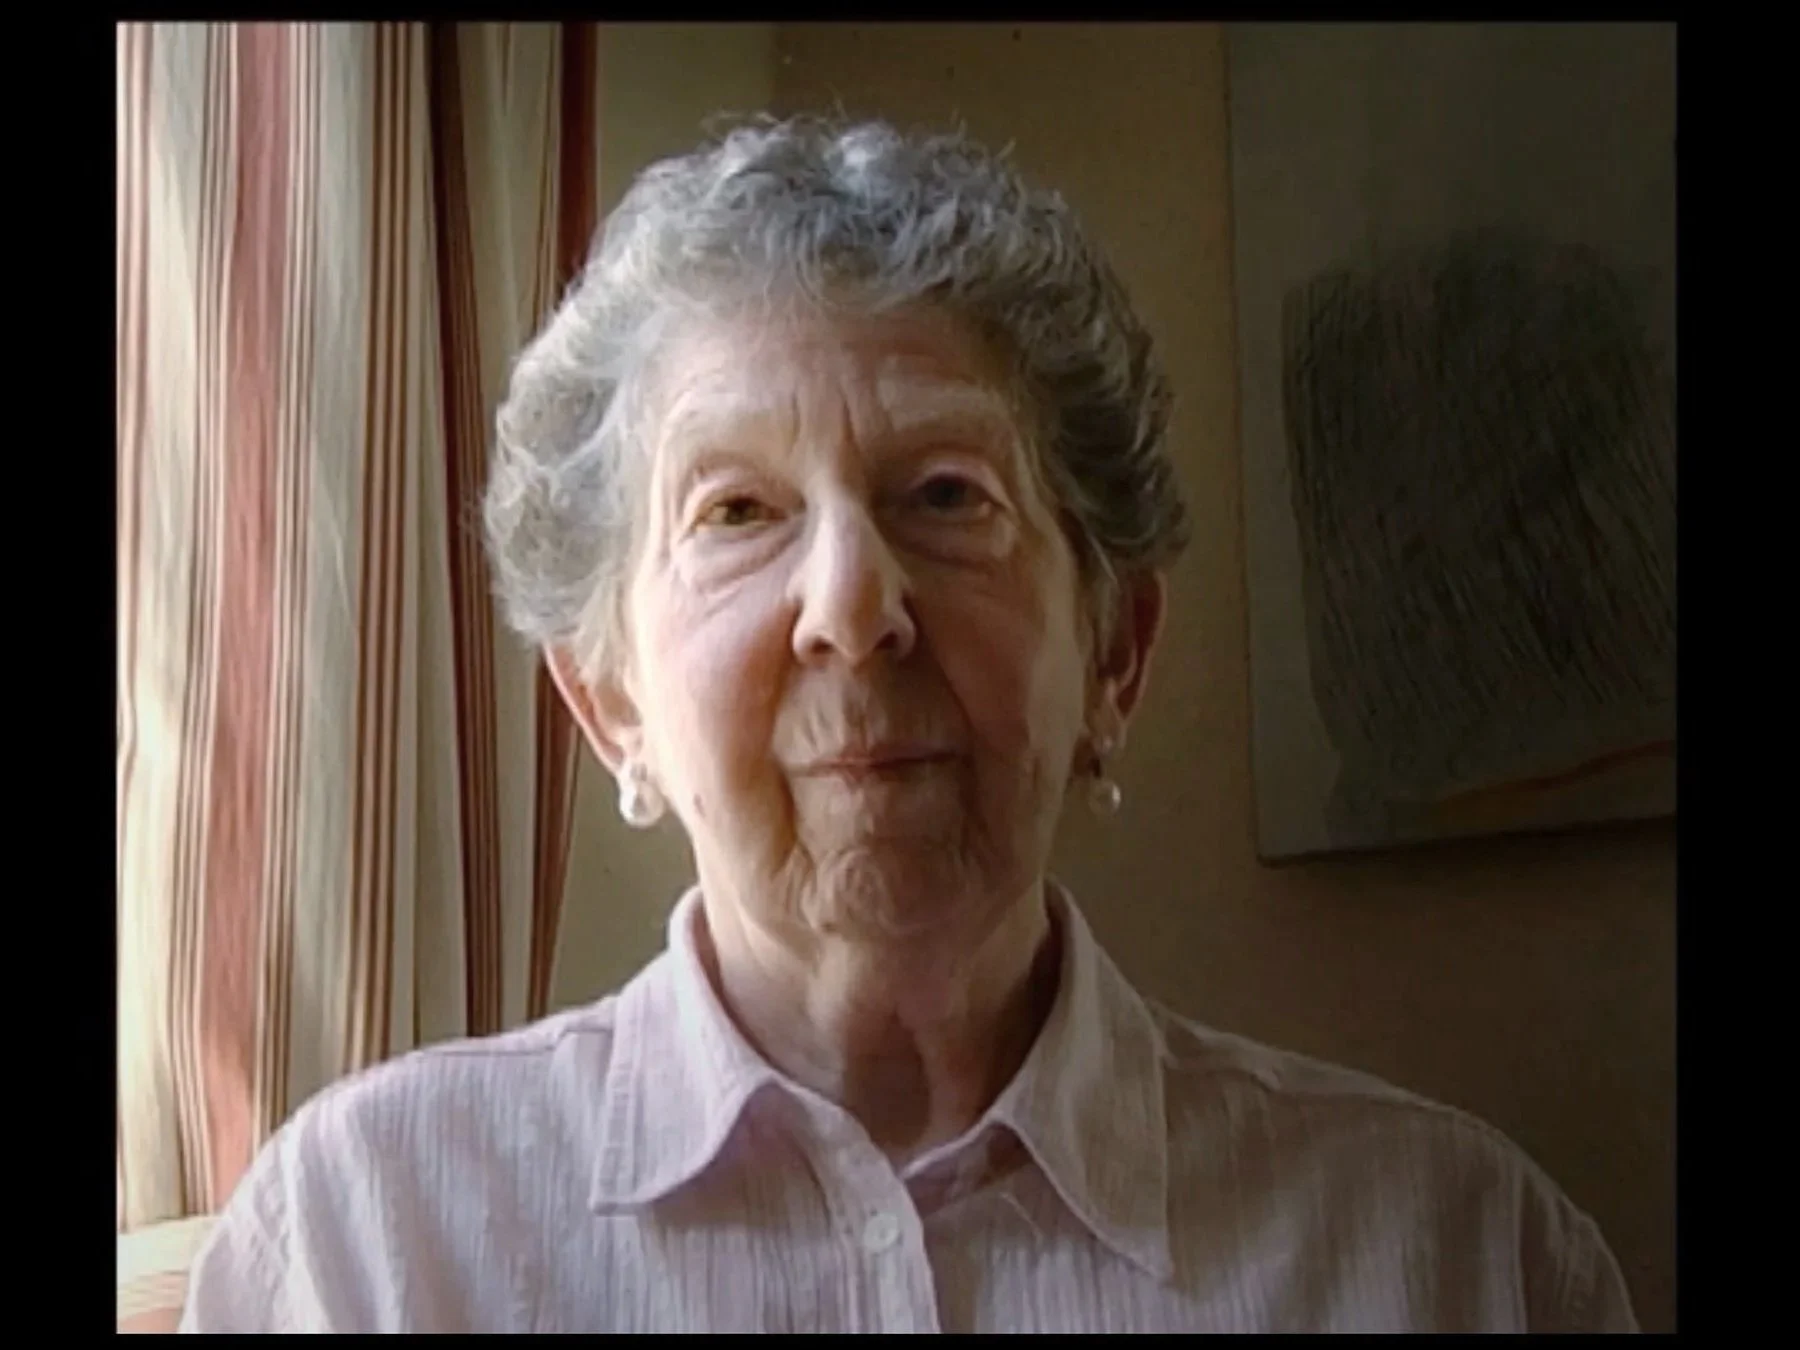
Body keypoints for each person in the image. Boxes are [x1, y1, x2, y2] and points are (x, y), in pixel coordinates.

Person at [180, 116, 1638, 1333]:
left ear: (1115, 652)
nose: (851, 605)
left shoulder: (1459, 1259)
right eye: (736, 511)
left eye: (948, 494)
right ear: (611, 699)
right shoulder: (366, 1243)